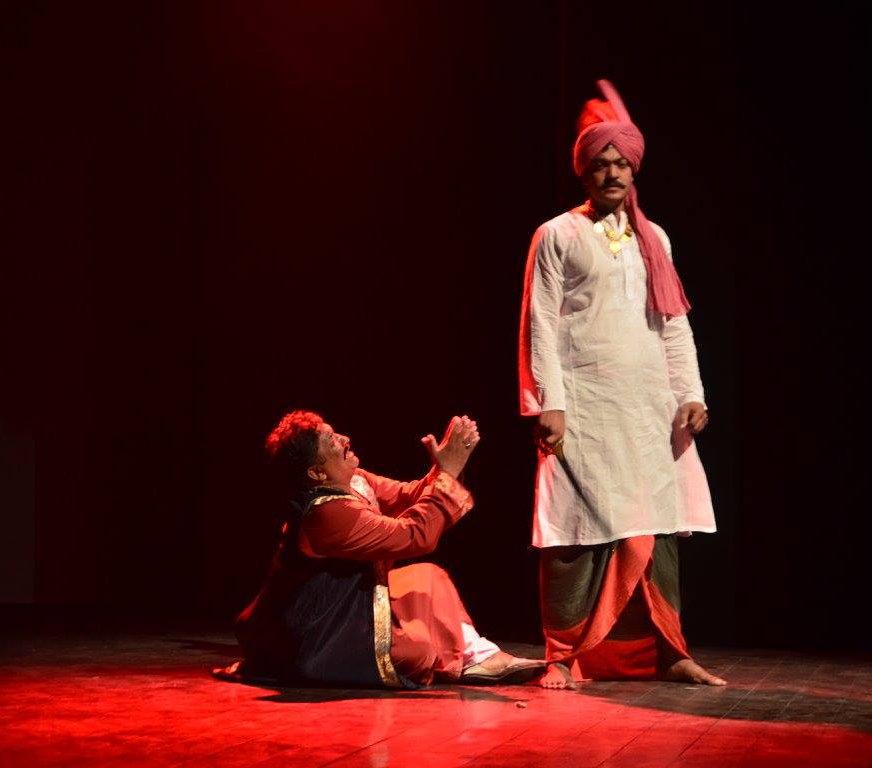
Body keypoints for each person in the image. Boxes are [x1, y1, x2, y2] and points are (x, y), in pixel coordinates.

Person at [518, 79, 727, 689]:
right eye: (600, 164)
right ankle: (563, 655)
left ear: (634, 169)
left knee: (656, 529)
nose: (612, 173)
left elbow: (674, 324)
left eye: (621, 163)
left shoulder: (654, 239)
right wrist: (549, 403)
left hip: (646, 409)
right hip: (583, 407)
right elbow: (540, 322)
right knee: (575, 533)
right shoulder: (557, 234)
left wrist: (691, 394)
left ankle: (670, 652)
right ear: (584, 172)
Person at [215, 410, 544, 688]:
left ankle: (476, 655)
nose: (344, 438)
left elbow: (409, 496)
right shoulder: (326, 515)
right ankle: (467, 657)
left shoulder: (354, 480)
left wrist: (440, 470)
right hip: (324, 633)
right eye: (331, 441)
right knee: (417, 655)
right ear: (316, 472)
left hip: (357, 605)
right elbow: (414, 535)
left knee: (428, 578)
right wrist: (448, 472)